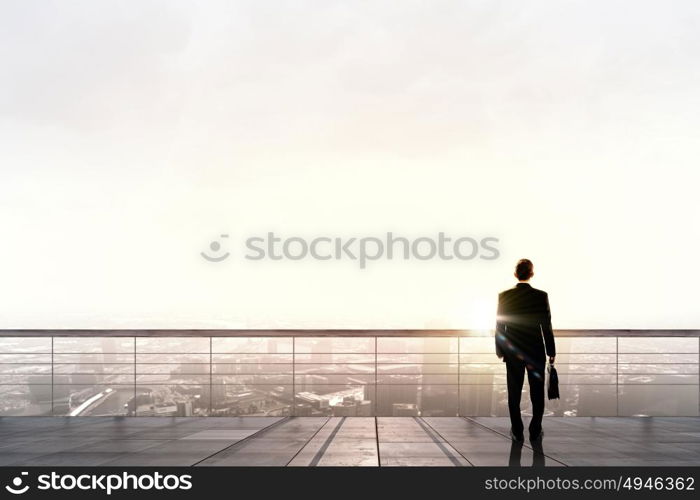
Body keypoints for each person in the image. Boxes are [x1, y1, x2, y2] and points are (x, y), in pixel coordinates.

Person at [496, 258, 555, 442]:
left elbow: (500, 325)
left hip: (513, 351)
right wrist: (551, 351)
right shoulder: (541, 296)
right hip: (536, 351)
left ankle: (517, 430)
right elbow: (546, 325)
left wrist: (500, 350)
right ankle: (535, 429)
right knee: (537, 393)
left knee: (514, 392)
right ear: (532, 274)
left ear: (516, 274)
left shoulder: (504, 296)